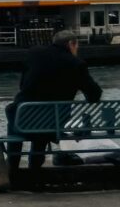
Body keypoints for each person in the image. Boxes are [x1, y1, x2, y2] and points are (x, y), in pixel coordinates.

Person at [6, 30, 102, 173]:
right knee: (45, 126)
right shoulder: (76, 64)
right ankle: (34, 169)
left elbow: (22, 85)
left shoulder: (34, 54)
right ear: (71, 44)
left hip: (22, 118)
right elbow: (94, 95)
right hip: (52, 122)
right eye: (76, 46)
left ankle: (12, 168)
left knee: (14, 120)